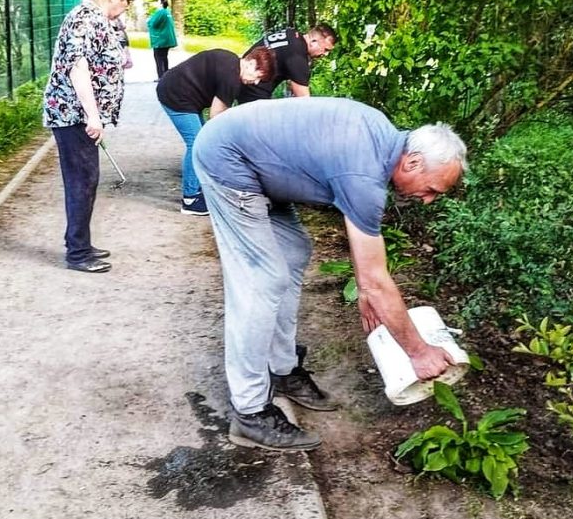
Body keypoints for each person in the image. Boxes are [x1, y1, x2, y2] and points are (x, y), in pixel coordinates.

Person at [192, 98, 467, 451]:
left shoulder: (381, 142)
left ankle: (282, 367)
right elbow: (376, 279)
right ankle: (249, 412)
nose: (428, 200)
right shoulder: (364, 175)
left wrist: (368, 291)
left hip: (257, 163)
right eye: (431, 190)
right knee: (261, 279)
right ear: (412, 162)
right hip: (227, 160)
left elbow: (369, 272)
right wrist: (418, 352)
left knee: (294, 252)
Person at [42, 0, 131, 274]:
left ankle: (80, 242)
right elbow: (76, 67)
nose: (127, 6)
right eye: (127, 0)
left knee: (86, 179)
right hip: (72, 115)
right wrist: (93, 116)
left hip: (80, 116)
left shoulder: (100, 21)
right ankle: (78, 253)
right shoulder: (83, 18)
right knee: (83, 179)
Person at [157, 45, 275, 215]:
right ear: (250, 63)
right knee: (197, 143)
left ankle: (199, 188)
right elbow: (217, 117)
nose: (256, 83)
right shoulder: (231, 79)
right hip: (175, 95)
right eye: (258, 76)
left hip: (183, 93)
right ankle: (189, 200)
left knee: (204, 142)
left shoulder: (231, 60)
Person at [238, 23, 336, 102]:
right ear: (313, 41)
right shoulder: (298, 57)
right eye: (325, 49)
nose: (325, 54)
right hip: (253, 86)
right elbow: (304, 101)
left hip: (241, 72)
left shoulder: (291, 34)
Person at [147, 0, 177, 79]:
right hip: (167, 39)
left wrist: (149, 20)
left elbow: (153, 23)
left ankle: (161, 76)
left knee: (158, 58)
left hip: (160, 40)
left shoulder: (160, 12)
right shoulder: (167, 12)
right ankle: (166, 75)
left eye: (157, 1)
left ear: (161, 3)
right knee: (164, 57)